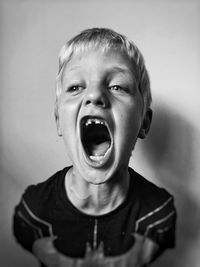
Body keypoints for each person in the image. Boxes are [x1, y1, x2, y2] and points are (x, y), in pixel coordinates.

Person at [13, 28, 176, 267]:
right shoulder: (33, 211)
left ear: (144, 123)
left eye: (118, 86)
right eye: (76, 87)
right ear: (59, 120)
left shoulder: (160, 213)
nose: (95, 95)